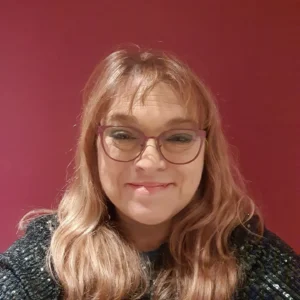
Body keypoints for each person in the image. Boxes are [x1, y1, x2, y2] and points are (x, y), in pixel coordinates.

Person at [0, 47, 299, 300]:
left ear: (207, 153)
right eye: (123, 135)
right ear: (93, 150)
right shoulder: (41, 262)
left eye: (178, 137)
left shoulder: (257, 260)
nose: (150, 162)